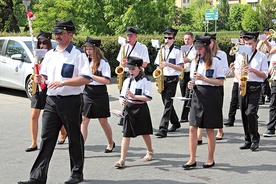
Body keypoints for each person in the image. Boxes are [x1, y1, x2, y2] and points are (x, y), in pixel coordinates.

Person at [18, 20, 92, 184]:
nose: (57, 36)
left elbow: (86, 78)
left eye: (61, 33)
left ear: (70, 35)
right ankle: (37, 176)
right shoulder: (50, 54)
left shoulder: (78, 54)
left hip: (71, 101)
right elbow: (44, 77)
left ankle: (76, 173)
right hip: (51, 101)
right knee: (46, 138)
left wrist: (64, 82)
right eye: (56, 33)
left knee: (74, 138)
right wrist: (40, 78)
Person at [182, 35, 225, 169]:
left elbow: (220, 81)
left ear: (206, 48)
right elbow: (194, 78)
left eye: (200, 49)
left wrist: (204, 79)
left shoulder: (216, 61)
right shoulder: (195, 62)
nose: (198, 51)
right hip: (197, 94)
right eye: (196, 49)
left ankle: (210, 158)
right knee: (192, 128)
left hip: (211, 96)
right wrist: (191, 83)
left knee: (209, 129)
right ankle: (192, 158)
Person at [26, 30, 67, 152]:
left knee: (56, 114)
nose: (42, 45)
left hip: (49, 87)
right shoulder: (36, 56)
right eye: (40, 43)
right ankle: (34, 142)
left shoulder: (53, 55)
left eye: (44, 42)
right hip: (38, 88)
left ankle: (63, 132)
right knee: (34, 116)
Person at [114, 56, 153, 168]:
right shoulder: (127, 81)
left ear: (139, 68)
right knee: (126, 134)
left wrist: (135, 96)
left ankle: (150, 151)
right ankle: (122, 159)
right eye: (129, 69)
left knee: (144, 132)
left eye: (133, 69)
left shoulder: (145, 80)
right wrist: (122, 100)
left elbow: (148, 97)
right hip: (130, 108)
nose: (130, 72)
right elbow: (122, 95)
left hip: (141, 108)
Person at [235, 31, 268, 151]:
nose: (248, 46)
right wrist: (240, 80)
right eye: (246, 44)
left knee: (251, 112)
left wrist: (253, 70)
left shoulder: (261, 56)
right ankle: (247, 139)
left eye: (250, 44)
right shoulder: (240, 55)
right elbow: (237, 71)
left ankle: (255, 139)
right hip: (243, 84)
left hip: (255, 86)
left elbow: (265, 75)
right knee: (244, 113)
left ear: (255, 43)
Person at [81, 37, 115, 152]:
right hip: (87, 92)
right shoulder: (85, 61)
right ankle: (81, 145)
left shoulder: (103, 62)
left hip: (100, 93)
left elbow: (107, 80)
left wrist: (92, 75)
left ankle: (110, 142)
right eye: (87, 49)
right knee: (84, 119)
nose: (88, 51)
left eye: (90, 49)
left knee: (103, 120)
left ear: (96, 50)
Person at [197, 33, 229, 143]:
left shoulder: (221, 54)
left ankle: (220, 130)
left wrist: (215, 70)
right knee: (201, 110)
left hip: (215, 84)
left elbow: (225, 70)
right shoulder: (200, 56)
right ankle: (199, 136)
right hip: (203, 86)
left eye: (210, 42)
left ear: (214, 43)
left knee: (217, 108)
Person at [116, 26, 150, 126]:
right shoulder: (124, 47)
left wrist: (132, 62)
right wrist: (123, 63)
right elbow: (120, 62)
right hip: (126, 73)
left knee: (132, 96)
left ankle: (127, 116)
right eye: (127, 36)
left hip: (137, 74)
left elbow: (145, 64)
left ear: (136, 36)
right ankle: (125, 115)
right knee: (124, 95)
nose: (128, 38)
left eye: (131, 36)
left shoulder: (142, 47)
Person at [154, 26, 183, 138]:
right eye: (165, 37)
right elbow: (157, 64)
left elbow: (180, 68)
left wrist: (168, 64)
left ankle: (163, 129)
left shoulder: (177, 51)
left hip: (172, 79)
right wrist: (157, 74)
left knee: (167, 103)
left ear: (174, 39)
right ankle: (175, 123)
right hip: (163, 78)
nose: (167, 40)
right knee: (167, 103)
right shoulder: (161, 50)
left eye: (169, 38)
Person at [224, 30, 247, 127]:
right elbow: (231, 53)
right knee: (234, 100)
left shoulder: (248, 48)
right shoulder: (238, 47)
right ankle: (231, 119)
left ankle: (249, 118)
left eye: (243, 38)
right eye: (241, 37)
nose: (242, 39)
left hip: (245, 77)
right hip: (236, 77)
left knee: (244, 101)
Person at [179, 31, 196, 123]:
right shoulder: (182, 49)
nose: (187, 41)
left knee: (187, 94)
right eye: (185, 39)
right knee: (184, 94)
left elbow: (188, 59)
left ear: (192, 39)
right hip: (183, 73)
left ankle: (184, 116)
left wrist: (180, 60)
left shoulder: (195, 49)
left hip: (190, 73)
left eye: (188, 39)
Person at [257, 27, 275, 104]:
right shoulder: (260, 41)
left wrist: (266, 43)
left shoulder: (273, 41)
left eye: (267, 33)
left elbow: (270, 51)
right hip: (262, 61)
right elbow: (258, 49)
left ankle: (265, 96)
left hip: (269, 61)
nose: (266, 35)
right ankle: (267, 95)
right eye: (265, 33)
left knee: (265, 80)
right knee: (264, 81)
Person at [263, 54, 276, 137]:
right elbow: (269, 71)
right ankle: (271, 128)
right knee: (273, 104)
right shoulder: (274, 56)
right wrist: (272, 68)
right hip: (275, 81)